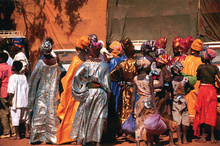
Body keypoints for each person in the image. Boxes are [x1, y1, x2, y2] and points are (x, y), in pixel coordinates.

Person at [70, 42, 111, 146]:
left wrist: (81, 89)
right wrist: (108, 96)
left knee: (86, 115)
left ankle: (84, 139)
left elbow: (76, 78)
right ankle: (97, 141)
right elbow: (107, 84)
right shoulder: (104, 65)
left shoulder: (85, 64)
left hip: (89, 92)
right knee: (99, 117)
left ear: (90, 53)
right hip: (101, 93)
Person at [56, 35, 91, 145]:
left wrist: (65, 90)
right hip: (88, 90)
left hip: (76, 93)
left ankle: (71, 136)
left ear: (79, 48)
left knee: (73, 114)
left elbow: (69, 78)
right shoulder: (90, 58)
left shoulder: (76, 59)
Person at [28, 40, 61, 144]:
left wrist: (31, 93)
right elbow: (61, 73)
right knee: (52, 113)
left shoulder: (41, 63)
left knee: (39, 113)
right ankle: (52, 137)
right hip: (53, 92)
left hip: (42, 92)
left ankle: (37, 137)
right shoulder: (56, 61)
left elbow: (33, 79)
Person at [110, 37, 138, 140]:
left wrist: (120, 83)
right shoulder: (138, 63)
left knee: (125, 109)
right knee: (134, 108)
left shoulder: (122, 64)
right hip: (137, 90)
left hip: (126, 90)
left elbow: (112, 76)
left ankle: (125, 132)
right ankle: (134, 132)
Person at [193, 47, 219, 143]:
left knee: (202, 112)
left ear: (204, 57)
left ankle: (203, 137)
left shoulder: (201, 67)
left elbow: (197, 77)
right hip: (212, 91)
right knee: (212, 113)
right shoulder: (215, 68)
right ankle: (212, 137)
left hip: (203, 91)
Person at [131, 57, 157, 146]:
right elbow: (152, 93)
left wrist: (131, 107)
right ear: (145, 67)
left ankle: (138, 143)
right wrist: (155, 108)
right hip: (148, 102)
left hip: (139, 103)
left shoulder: (135, 78)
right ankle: (149, 143)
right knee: (148, 124)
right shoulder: (149, 77)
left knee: (138, 124)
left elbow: (133, 94)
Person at [154, 54, 176, 146]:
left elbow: (161, 84)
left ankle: (157, 141)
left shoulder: (161, 72)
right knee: (168, 117)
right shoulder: (168, 72)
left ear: (162, 62)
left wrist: (151, 85)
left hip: (161, 96)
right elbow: (170, 86)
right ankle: (171, 141)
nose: (156, 63)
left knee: (157, 117)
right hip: (168, 95)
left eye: (158, 61)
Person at [171, 61, 193, 145]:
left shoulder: (172, 80)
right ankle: (185, 139)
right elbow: (191, 86)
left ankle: (179, 139)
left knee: (177, 121)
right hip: (183, 101)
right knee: (184, 121)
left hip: (175, 101)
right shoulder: (185, 79)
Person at [182, 39, 204, 119]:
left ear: (192, 50)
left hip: (189, 84)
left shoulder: (188, 59)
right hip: (199, 86)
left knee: (189, 104)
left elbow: (183, 71)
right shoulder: (202, 60)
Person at [8, 61, 29, 140]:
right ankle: (27, 132)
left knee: (15, 118)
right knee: (26, 118)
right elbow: (27, 88)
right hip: (24, 101)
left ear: (14, 67)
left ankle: (17, 135)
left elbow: (11, 90)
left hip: (16, 101)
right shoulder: (24, 77)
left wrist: (10, 100)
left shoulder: (12, 77)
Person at [0, 52, 13, 139]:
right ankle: (14, 131)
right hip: (11, 91)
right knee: (12, 112)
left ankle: (6, 132)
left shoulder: (0, 68)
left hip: (3, 91)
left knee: (4, 113)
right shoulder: (10, 67)